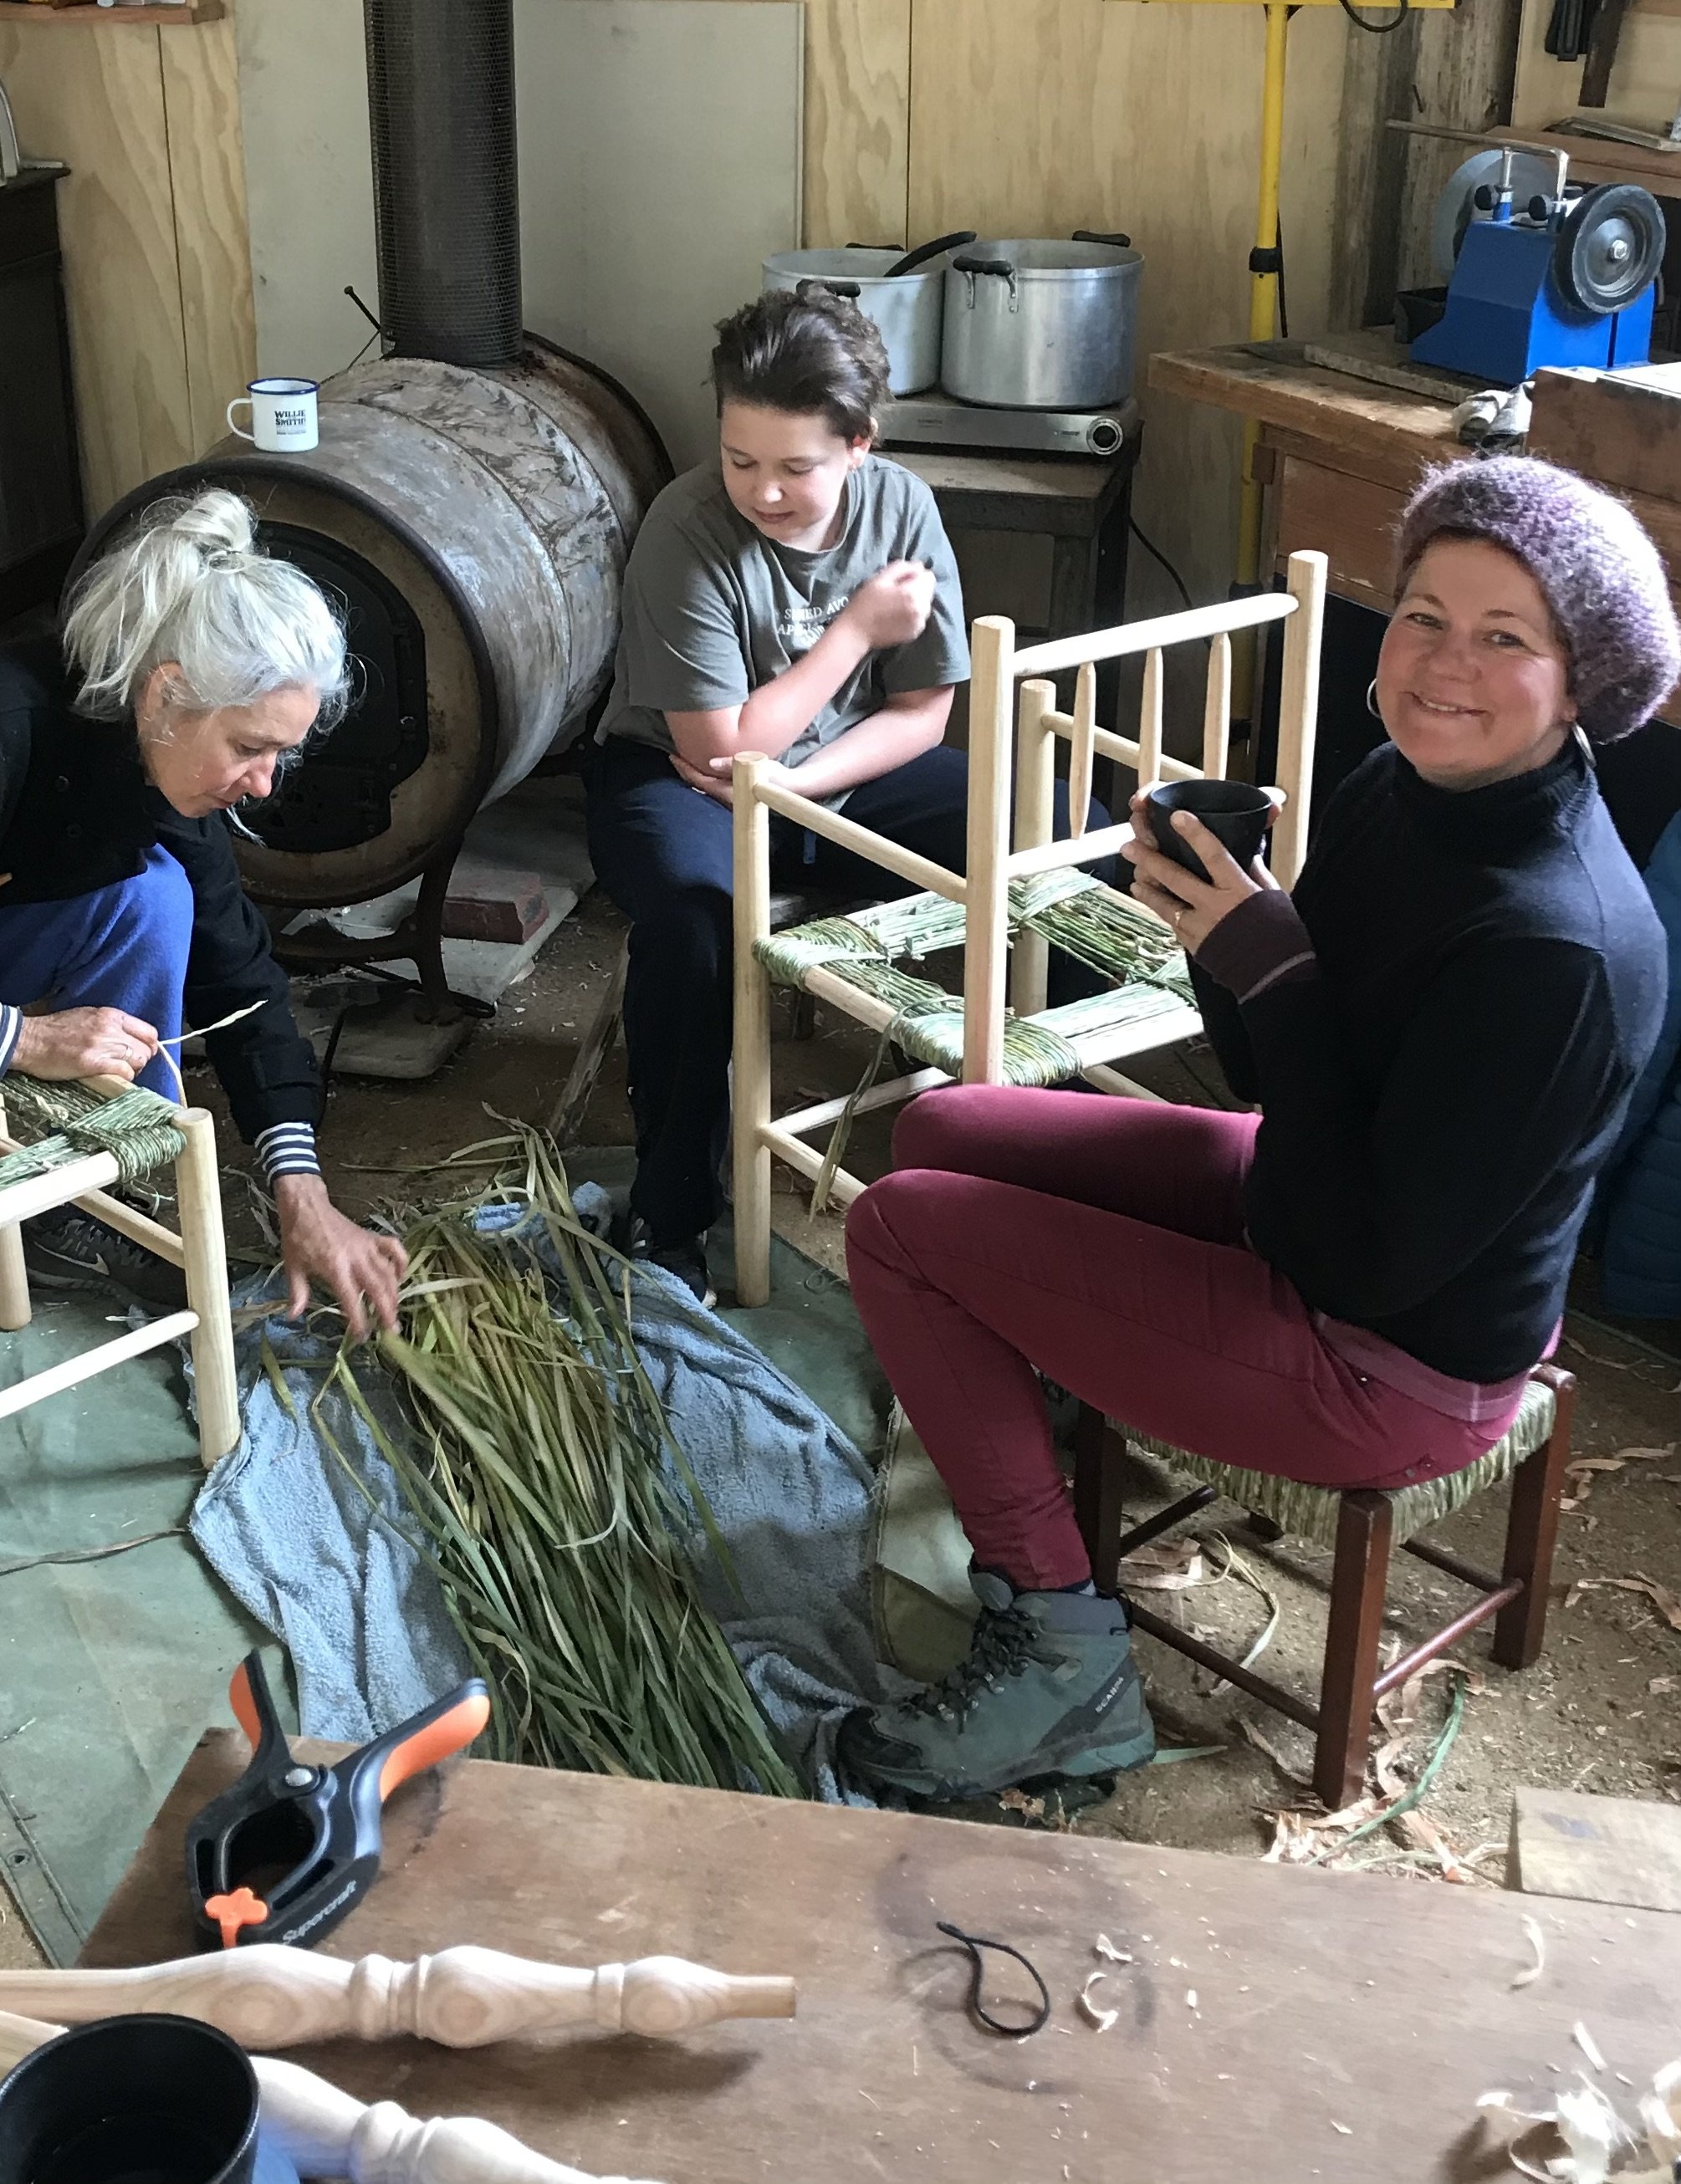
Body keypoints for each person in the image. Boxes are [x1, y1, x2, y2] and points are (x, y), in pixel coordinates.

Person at [837, 457, 1675, 1802]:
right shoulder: (1390, 791)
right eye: (1420, 616)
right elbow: (1268, 1078)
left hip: (1392, 1362)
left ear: (1581, 682)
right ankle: (1039, 1383)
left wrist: (1275, 969)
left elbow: (1371, 1260)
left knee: (898, 1235)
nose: (1442, 664)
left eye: (1504, 637)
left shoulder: (1555, 948)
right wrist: (1217, 934)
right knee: (938, 1127)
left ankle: (1062, 1661)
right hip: (1311, 1191)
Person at [0, 487, 406, 1339]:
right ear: (165, 694)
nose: (264, 782)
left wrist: (300, 1185)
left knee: (154, 894)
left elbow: (239, 969)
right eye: (250, 747)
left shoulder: (156, 767)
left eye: (281, 755)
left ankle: (93, 1196)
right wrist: (27, 1040)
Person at [584, 285, 971, 1301]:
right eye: (739, 458)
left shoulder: (902, 509)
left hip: (832, 767)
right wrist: (851, 631)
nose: (762, 492)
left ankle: (1048, 1140)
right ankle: (668, 1215)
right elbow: (716, 756)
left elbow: (924, 713)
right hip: (674, 781)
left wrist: (798, 782)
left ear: (859, 445)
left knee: (1055, 828)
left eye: (795, 467)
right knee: (695, 921)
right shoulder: (684, 527)